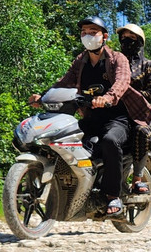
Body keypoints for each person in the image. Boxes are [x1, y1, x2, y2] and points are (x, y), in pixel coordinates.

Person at [32, 16, 132, 217]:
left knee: (110, 141)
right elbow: (64, 82)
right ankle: (80, 189)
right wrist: (42, 96)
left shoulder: (117, 59)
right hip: (91, 118)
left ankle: (113, 196)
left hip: (117, 119)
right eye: (83, 32)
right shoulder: (81, 61)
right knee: (66, 140)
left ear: (104, 36)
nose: (87, 36)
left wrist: (108, 98)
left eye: (92, 32)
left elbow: (122, 82)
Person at [116, 23, 151, 195]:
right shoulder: (113, 62)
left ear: (140, 42)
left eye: (132, 38)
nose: (127, 41)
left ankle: (137, 180)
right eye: (124, 38)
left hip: (137, 115)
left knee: (141, 132)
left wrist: (128, 93)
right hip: (112, 111)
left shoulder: (148, 65)